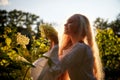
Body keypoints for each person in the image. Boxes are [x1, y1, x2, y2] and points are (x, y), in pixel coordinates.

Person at [38, 14, 104, 80]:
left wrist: (56, 42)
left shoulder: (81, 48)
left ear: (80, 27)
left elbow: (56, 69)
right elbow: (55, 64)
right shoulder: (75, 48)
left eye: (70, 22)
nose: (65, 25)